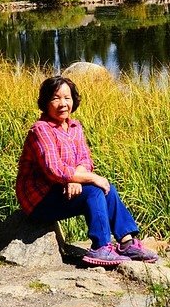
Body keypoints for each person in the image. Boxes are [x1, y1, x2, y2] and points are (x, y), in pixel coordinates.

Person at [15, 75, 158, 266]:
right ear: (45, 102)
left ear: (73, 100)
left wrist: (77, 179)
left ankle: (126, 242)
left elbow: (84, 159)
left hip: (60, 188)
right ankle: (100, 247)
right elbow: (54, 170)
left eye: (67, 98)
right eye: (56, 98)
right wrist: (85, 178)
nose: (63, 103)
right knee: (94, 190)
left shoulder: (75, 127)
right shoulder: (40, 130)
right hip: (39, 199)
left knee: (108, 189)